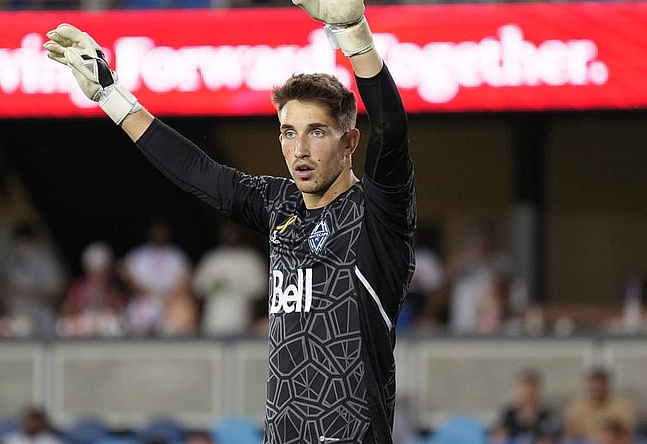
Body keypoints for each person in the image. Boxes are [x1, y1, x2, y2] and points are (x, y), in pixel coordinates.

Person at [43, 0, 416, 439]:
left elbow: (391, 132)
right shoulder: (280, 205)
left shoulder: (378, 213)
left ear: (350, 140)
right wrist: (112, 95)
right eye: (288, 132)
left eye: (316, 132)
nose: (299, 150)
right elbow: (197, 172)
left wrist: (355, 35)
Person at [192, 221, 268, 337]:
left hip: (241, 323)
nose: (230, 235)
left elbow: (259, 297)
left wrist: (252, 323)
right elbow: (199, 294)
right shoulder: (212, 259)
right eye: (227, 231)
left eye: (233, 231)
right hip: (213, 323)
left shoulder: (251, 259)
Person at [118, 219, 193, 336]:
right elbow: (126, 276)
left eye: (162, 232)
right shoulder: (138, 254)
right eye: (156, 232)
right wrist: (149, 294)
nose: (159, 235)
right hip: (142, 304)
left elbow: (183, 281)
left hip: (168, 304)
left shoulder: (177, 256)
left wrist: (167, 299)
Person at [0, 223, 66, 339]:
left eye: (23, 242)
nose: (19, 246)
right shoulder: (12, 261)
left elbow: (57, 292)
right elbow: (3, 289)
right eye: (17, 242)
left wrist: (26, 292)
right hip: (17, 316)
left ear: (31, 241)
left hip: (42, 317)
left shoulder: (45, 260)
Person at [563, 368, 637, 443]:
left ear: (607, 385)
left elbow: (626, 434)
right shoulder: (577, 408)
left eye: (601, 384)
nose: (598, 388)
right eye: (595, 384)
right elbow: (570, 436)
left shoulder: (622, 407)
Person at [489, 368, 561, 444]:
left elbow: (553, 438)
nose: (527, 396)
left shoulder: (549, 417)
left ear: (538, 392)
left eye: (530, 393)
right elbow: (494, 435)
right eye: (523, 392)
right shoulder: (507, 415)